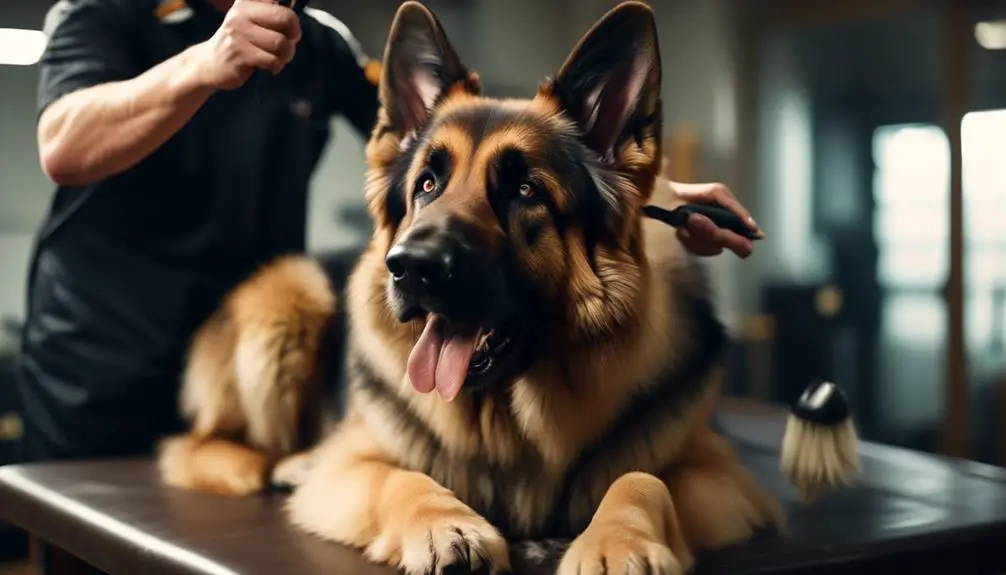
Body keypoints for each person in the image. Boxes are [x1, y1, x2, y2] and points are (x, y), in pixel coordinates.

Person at [17, 0, 761, 466]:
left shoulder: (319, 42)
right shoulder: (99, 13)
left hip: (253, 363)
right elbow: (62, 145)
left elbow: (458, 136)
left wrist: (651, 195)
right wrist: (206, 62)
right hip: (104, 369)